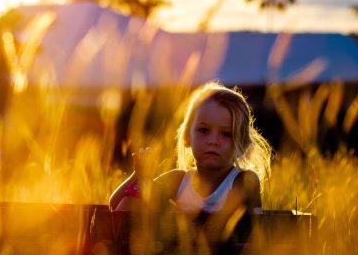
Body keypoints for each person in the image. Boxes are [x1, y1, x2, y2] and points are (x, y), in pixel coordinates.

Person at [109, 82, 271, 216]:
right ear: (187, 137)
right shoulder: (178, 180)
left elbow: (251, 232)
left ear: (242, 143)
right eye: (204, 130)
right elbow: (116, 205)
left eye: (226, 134)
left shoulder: (242, 181)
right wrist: (138, 177)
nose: (213, 141)